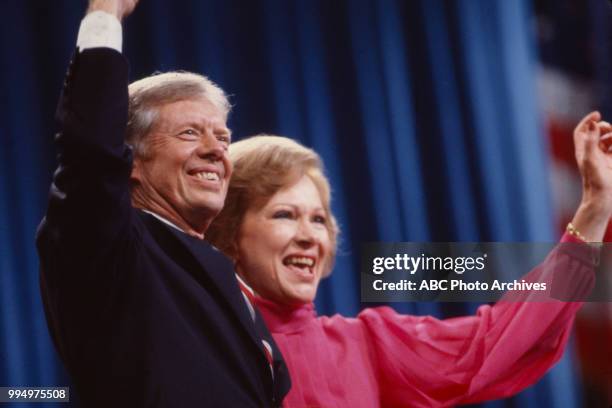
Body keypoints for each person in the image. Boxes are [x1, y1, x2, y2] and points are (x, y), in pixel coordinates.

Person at [207, 111, 612, 407]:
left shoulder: (367, 345)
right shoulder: (198, 345)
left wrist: (593, 211)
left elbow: (497, 341)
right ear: (229, 234)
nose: (309, 236)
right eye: (284, 215)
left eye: (318, 219)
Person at [36, 1, 290, 406]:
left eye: (222, 138)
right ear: (131, 160)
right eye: (190, 133)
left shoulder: (226, 278)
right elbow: (90, 149)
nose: (215, 151)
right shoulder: (111, 246)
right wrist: (105, 13)